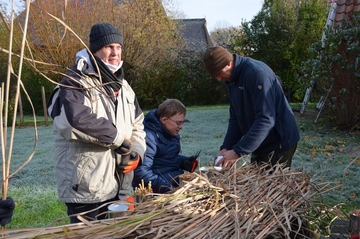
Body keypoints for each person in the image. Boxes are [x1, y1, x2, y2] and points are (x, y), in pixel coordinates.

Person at [47, 22, 146, 223]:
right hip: (87, 186)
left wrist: (137, 153)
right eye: (109, 47)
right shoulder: (75, 81)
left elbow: (138, 124)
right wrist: (120, 141)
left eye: (118, 48)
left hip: (117, 184)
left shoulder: (125, 87)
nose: (115, 53)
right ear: (94, 51)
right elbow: (76, 120)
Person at [202, 46, 300, 169]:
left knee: (269, 186)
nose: (218, 79)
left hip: (278, 142)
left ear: (228, 63)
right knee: (257, 183)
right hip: (260, 143)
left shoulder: (256, 74)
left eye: (219, 73)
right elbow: (235, 119)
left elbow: (266, 119)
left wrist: (238, 151)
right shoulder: (231, 80)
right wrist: (227, 147)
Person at [132, 99, 199, 193]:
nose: (181, 127)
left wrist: (185, 162)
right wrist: (167, 188)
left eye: (182, 122)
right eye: (178, 123)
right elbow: (140, 172)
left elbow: (165, 159)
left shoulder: (170, 132)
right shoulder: (149, 137)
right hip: (157, 193)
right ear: (164, 120)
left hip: (175, 184)